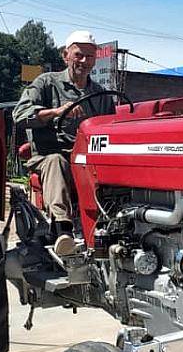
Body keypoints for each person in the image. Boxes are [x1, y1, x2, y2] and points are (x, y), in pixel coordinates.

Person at [13, 29, 115, 255]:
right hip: (49, 155)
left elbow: (111, 129)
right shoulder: (46, 83)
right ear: (65, 55)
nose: (84, 61)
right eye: (78, 55)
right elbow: (19, 115)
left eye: (90, 56)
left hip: (88, 160)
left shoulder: (101, 95)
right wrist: (56, 112)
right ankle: (63, 230)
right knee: (57, 162)